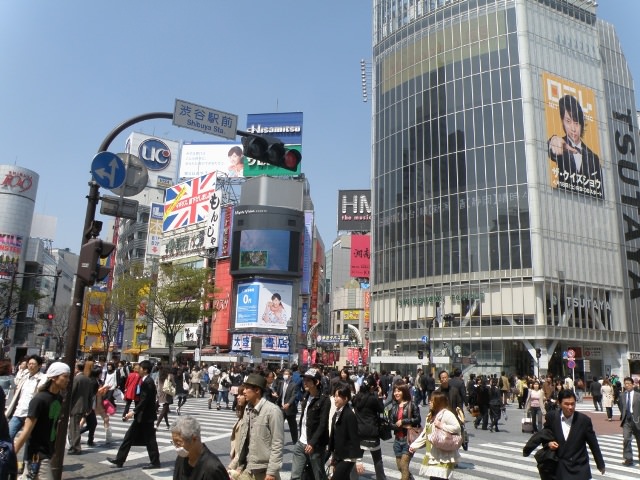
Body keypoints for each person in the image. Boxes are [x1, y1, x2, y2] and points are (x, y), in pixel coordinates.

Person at [14, 362, 71, 480]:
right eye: (65, 376)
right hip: (37, 452)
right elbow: (27, 430)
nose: (68, 380)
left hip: (47, 450)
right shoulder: (39, 399)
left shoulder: (59, 398)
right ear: (54, 377)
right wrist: (12, 453)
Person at [228, 373, 284, 480]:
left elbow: (277, 443)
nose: (244, 391)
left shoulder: (272, 411)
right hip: (248, 468)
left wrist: (272, 472)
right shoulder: (247, 409)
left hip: (264, 471)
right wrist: (236, 465)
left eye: (247, 388)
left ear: (257, 390)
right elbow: (244, 441)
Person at [107, 360, 161, 470]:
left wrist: (133, 412)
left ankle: (155, 462)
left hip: (146, 416)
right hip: (142, 416)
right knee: (129, 437)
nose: (137, 369)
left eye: (140, 368)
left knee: (150, 440)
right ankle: (120, 460)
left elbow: (144, 400)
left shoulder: (148, 382)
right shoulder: (144, 380)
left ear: (145, 370)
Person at [548, 94, 603, 197]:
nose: (573, 128)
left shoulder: (593, 157)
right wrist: (553, 140)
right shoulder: (560, 145)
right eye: (568, 121)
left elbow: (599, 192)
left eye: (576, 123)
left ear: (582, 124)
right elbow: (550, 147)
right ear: (562, 121)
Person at [544, 388, 605, 477]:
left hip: (579, 467)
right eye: (567, 404)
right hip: (559, 467)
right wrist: (548, 443)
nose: (570, 407)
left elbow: (593, 443)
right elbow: (544, 436)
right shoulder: (552, 417)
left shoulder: (584, 420)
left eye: (573, 404)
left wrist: (600, 464)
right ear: (559, 403)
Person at [409, 391, 461, 480]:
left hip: (443, 454)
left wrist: (441, 425)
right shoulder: (431, 415)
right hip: (433, 453)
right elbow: (425, 433)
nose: (429, 402)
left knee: (439, 478)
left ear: (439, 402)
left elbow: (457, 428)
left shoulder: (447, 414)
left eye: (432, 400)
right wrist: (414, 445)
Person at [291, 368, 330, 480]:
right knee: (295, 476)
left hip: (315, 445)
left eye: (308, 380)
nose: (305, 382)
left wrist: (312, 443)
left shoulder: (324, 400)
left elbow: (323, 424)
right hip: (301, 442)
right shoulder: (305, 396)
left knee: (319, 475)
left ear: (316, 382)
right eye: (304, 380)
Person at [352, 375, 387, 480]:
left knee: (356, 458)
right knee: (377, 459)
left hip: (359, 431)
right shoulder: (373, 399)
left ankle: (353, 478)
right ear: (371, 387)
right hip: (372, 431)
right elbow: (381, 410)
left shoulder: (357, 398)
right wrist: (380, 396)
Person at [171, 415, 228, 480]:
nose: (176, 447)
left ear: (194, 439)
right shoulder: (181, 458)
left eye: (178, 442)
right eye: (174, 443)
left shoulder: (212, 468)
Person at [6, 355, 46, 440]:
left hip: (32, 414)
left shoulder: (43, 378)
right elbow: (16, 382)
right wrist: (21, 370)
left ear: (39, 366)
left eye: (33, 364)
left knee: (29, 441)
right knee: (7, 436)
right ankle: (7, 453)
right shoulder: (25, 377)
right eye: (29, 364)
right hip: (19, 411)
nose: (30, 366)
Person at [329, 383, 363, 480]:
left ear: (346, 398)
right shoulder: (337, 413)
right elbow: (334, 436)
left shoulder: (349, 415)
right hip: (339, 455)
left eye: (339, 396)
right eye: (335, 396)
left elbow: (354, 438)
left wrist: (358, 460)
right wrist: (333, 456)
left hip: (348, 457)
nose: (335, 399)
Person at [388, 383, 421, 480]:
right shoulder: (394, 407)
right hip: (398, 440)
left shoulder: (412, 404)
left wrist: (403, 421)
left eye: (399, 391)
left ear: (404, 391)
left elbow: (418, 419)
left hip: (409, 440)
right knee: (400, 467)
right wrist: (397, 426)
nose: (396, 393)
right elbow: (391, 424)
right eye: (395, 391)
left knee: (403, 464)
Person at [67, 362, 93, 454]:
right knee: (75, 426)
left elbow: (71, 393)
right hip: (84, 406)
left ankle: (76, 447)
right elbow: (90, 395)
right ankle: (75, 446)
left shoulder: (76, 379)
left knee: (74, 427)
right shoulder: (87, 379)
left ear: (77, 369)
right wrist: (89, 406)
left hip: (76, 406)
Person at [619, 376, 640, 466]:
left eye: (629, 384)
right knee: (626, 439)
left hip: (637, 420)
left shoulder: (638, 395)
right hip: (626, 420)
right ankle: (628, 458)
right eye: (625, 384)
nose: (627, 385)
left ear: (633, 384)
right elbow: (621, 406)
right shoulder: (622, 395)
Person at [278, 368, 299, 444]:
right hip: (281, 407)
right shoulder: (281, 383)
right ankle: (278, 441)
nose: (285, 375)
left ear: (290, 376)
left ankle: (295, 441)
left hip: (290, 409)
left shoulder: (294, 385)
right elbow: (279, 394)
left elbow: (294, 395)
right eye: (284, 374)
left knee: (292, 426)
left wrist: (289, 404)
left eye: (287, 374)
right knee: (279, 425)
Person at [228, 386, 246, 469]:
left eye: (241, 394)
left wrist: (231, 467)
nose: (237, 396)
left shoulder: (247, 419)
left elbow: (243, 448)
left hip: (241, 463)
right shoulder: (242, 416)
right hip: (237, 460)